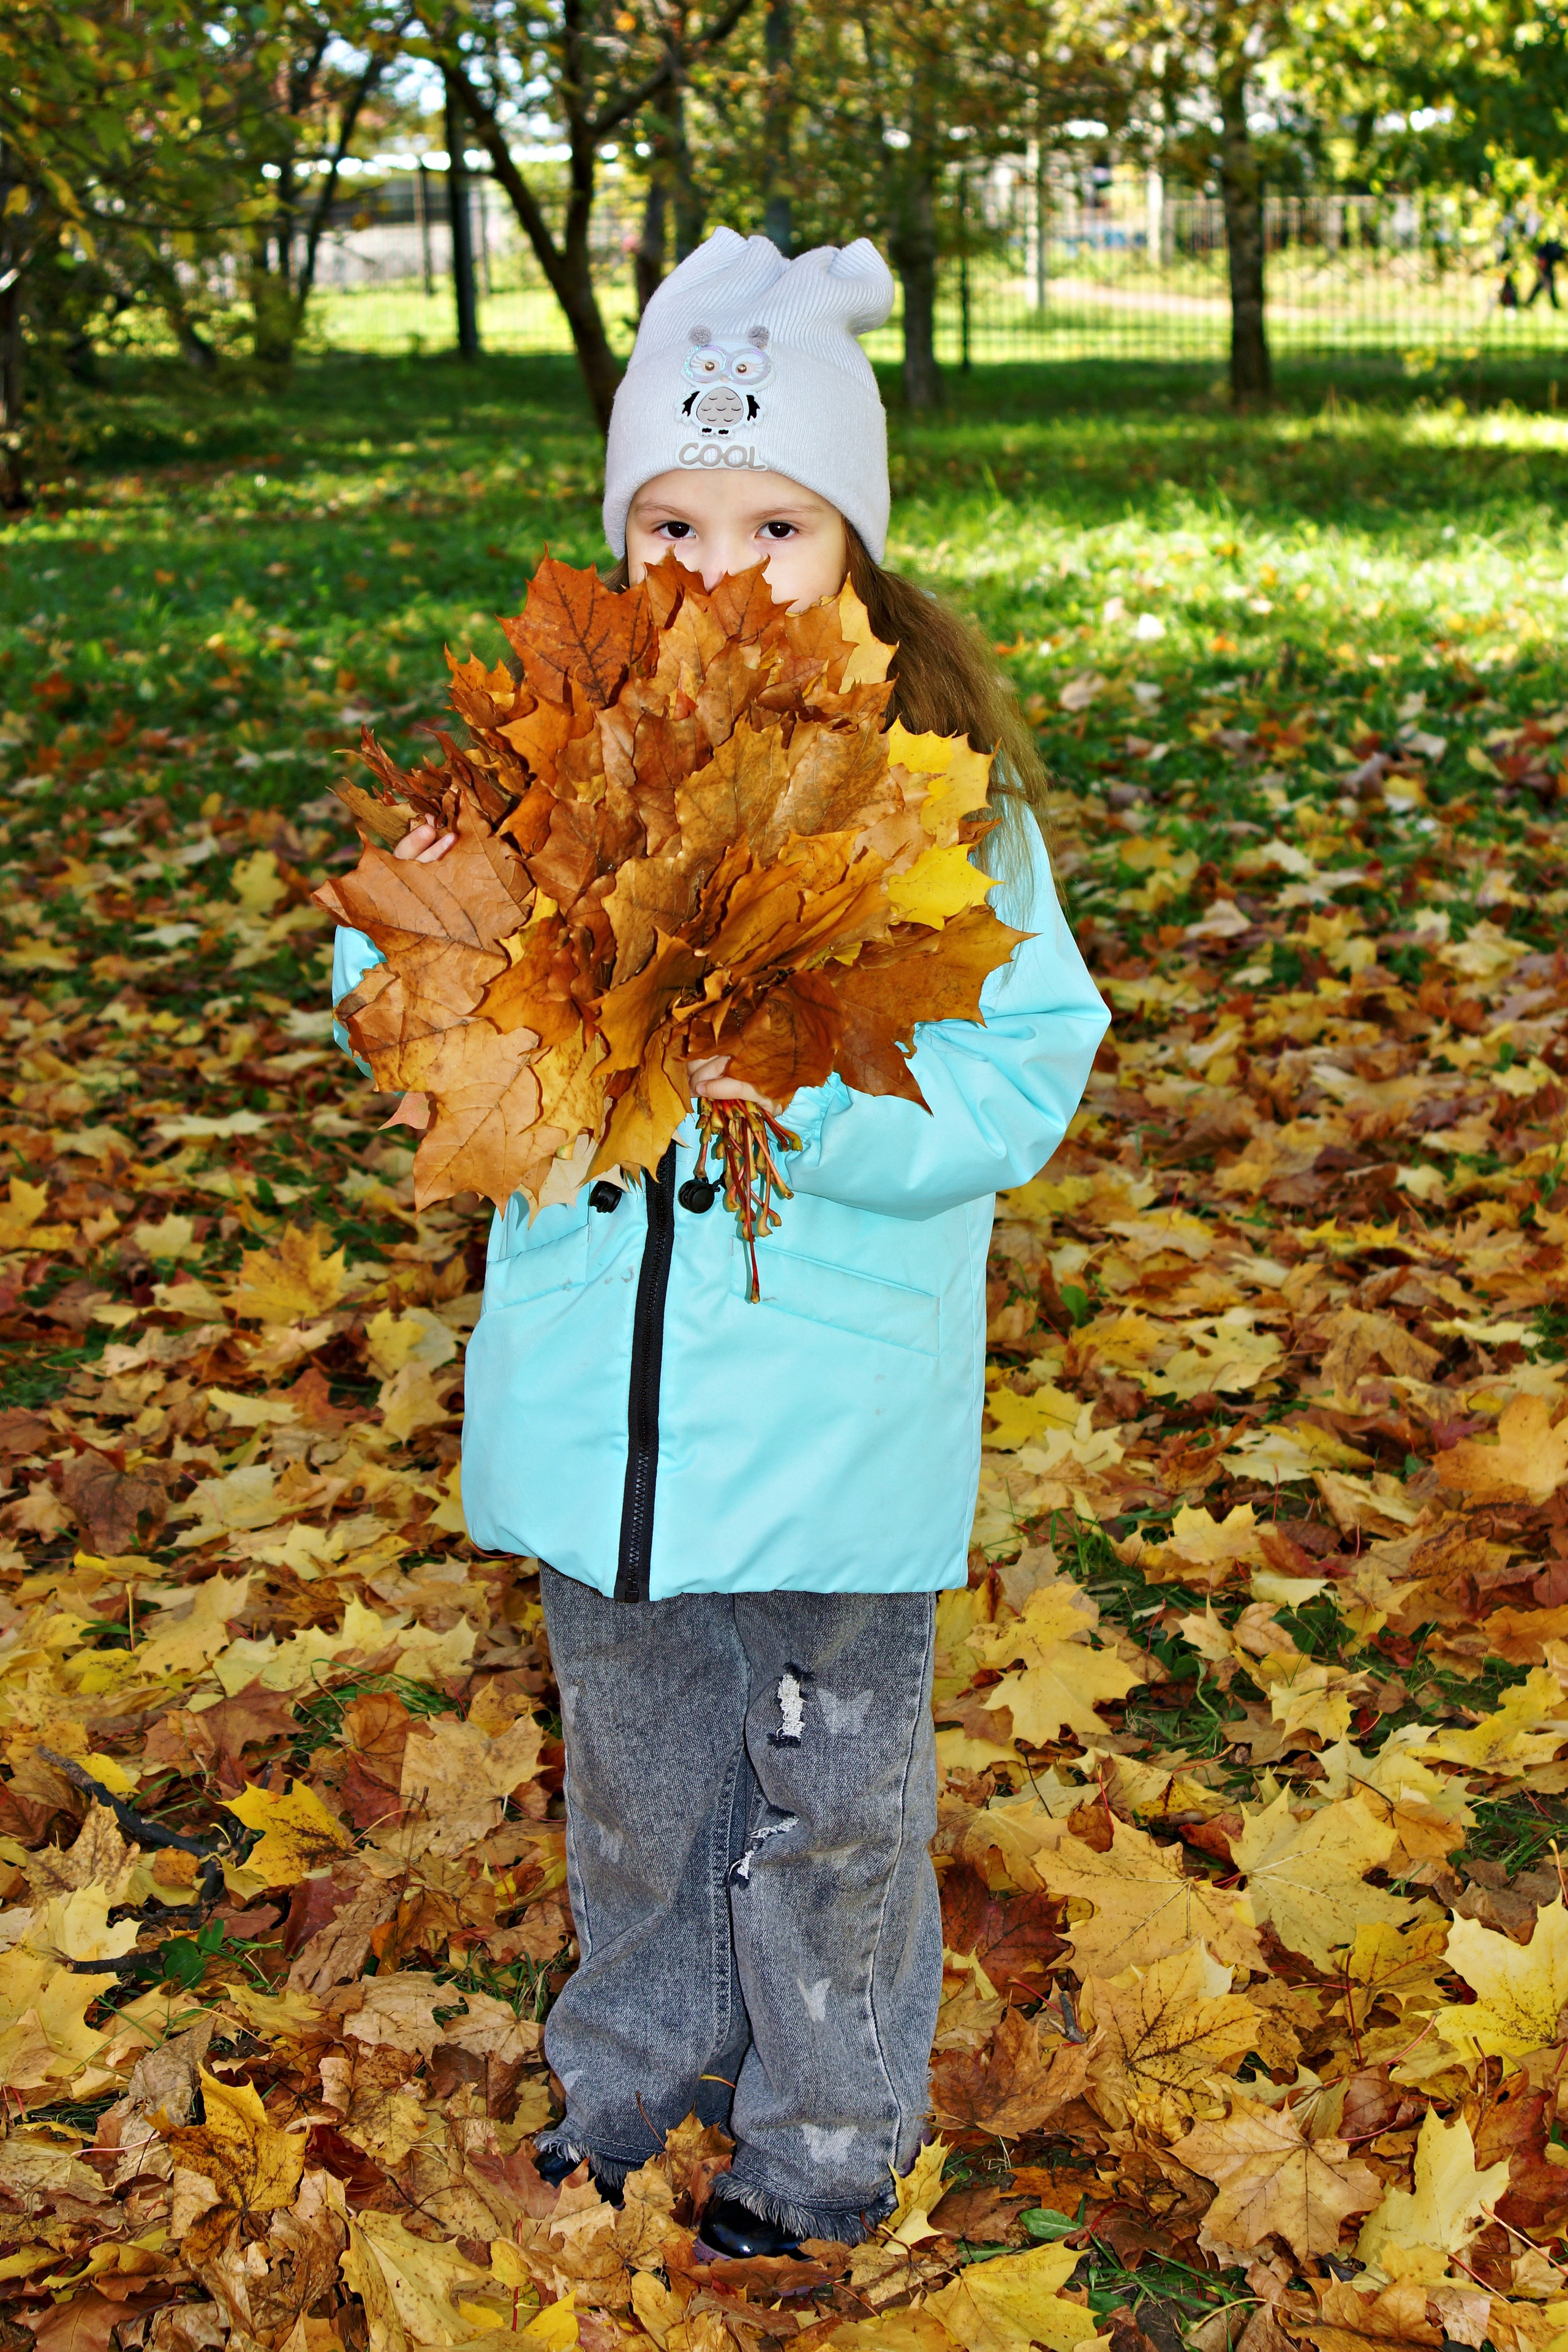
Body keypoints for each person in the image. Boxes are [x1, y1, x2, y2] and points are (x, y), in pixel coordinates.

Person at [327, 228, 1107, 2257]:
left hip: (829, 1431)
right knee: (646, 1793)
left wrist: (827, 1111)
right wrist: (435, 920)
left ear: (856, 549)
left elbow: (1024, 1071)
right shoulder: (543, 769)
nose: (721, 558)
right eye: (670, 517)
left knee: (830, 1802)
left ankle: (825, 2143)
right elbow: (409, 1012)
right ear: (615, 547)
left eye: (779, 519)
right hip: (605, 1430)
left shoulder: (936, 811)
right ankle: (633, 2085)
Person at [1527, 233, 1565, 308]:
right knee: (1547, 286)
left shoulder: (1550, 247)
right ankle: (1555, 305)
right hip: (1545, 270)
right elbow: (1542, 261)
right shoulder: (1550, 248)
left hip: (1546, 269)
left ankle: (1529, 303)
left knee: (1541, 286)